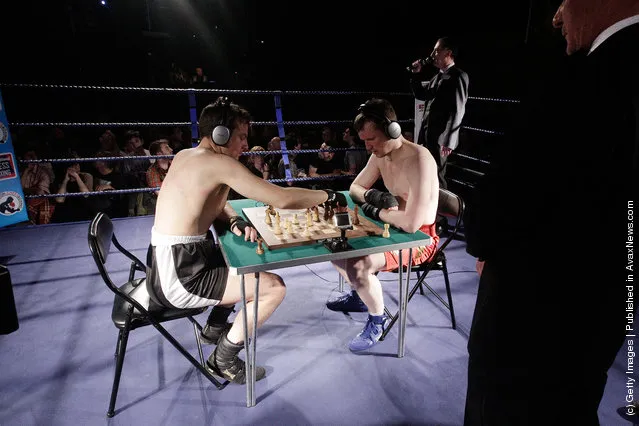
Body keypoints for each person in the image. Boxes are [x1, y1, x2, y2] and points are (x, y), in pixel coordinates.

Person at [463, 1, 638, 424]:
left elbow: (503, 199)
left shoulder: (589, 76)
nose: (557, 16)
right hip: (603, 307)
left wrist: (485, 241)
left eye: (566, 0)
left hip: (535, 316)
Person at [146, 96, 347, 384]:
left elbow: (212, 201)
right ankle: (224, 359)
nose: (245, 144)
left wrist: (234, 219)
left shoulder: (186, 156)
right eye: (241, 137)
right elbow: (282, 198)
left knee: (235, 260)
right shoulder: (219, 164)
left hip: (168, 264)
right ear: (220, 135)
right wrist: (330, 195)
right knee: (273, 288)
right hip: (180, 276)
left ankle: (214, 329)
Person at [326, 98, 440, 352]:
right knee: (332, 246)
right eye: (364, 141)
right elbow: (355, 188)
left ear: (393, 130)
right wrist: (373, 196)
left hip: (421, 240)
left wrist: (375, 210)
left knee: (358, 265)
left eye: (371, 140)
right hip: (392, 227)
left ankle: (378, 320)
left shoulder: (419, 159)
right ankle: (360, 295)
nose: (367, 147)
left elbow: (412, 224)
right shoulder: (380, 154)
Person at [410, 37, 469, 189]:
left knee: (437, 174)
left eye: (437, 51)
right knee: (425, 171)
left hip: (441, 136)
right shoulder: (436, 77)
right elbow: (421, 95)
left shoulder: (459, 76)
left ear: (448, 52)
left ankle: (441, 210)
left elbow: (458, 110)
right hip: (427, 133)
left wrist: (449, 140)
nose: (433, 54)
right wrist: (416, 74)